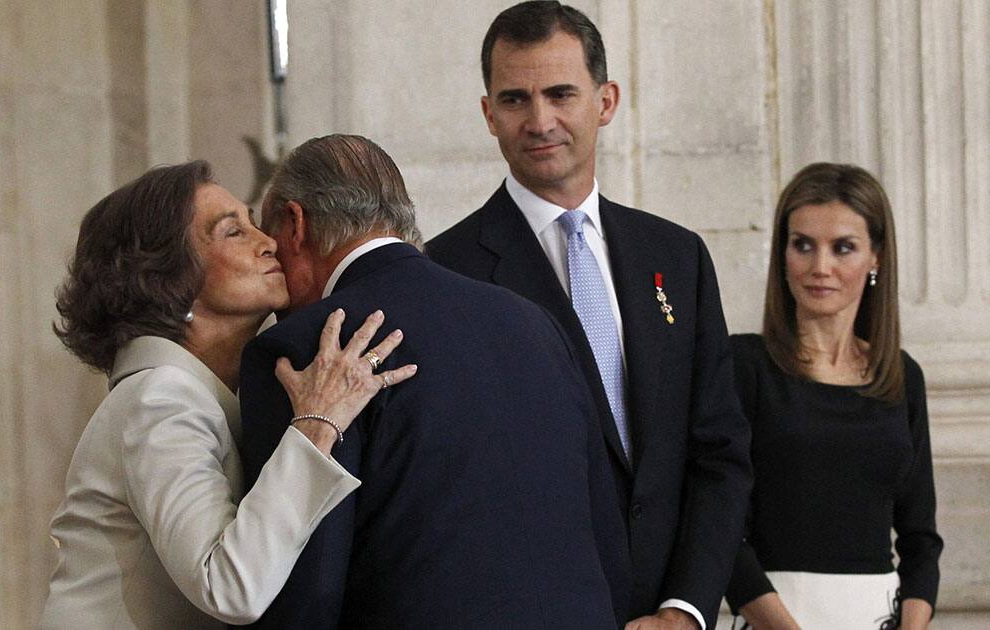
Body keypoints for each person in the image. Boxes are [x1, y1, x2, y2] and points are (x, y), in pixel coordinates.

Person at [425, 3, 752, 628]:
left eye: (560, 94)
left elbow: (720, 455)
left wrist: (685, 609)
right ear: (489, 115)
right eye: (516, 99)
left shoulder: (678, 257)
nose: (540, 120)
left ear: (606, 100)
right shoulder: (445, 273)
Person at [238, 133, 631, 629]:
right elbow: (605, 535)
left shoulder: (309, 348)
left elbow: (304, 583)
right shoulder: (533, 322)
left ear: (295, 225)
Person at [40, 161, 416, 629]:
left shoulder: (187, 394)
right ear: (169, 279)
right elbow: (229, 587)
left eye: (253, 223)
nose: (269, 242)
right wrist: (318, 421)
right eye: (233, 232)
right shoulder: (160, 399)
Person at [724, 162, 943, 629]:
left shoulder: (902, 377)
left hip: (879, 614)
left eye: (843, 248)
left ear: (876, 257)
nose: (820, 267)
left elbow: (921, 541)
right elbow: (720, 531)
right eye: (803, 245)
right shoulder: (743, 365)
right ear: (783, 254)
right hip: (774, 616)